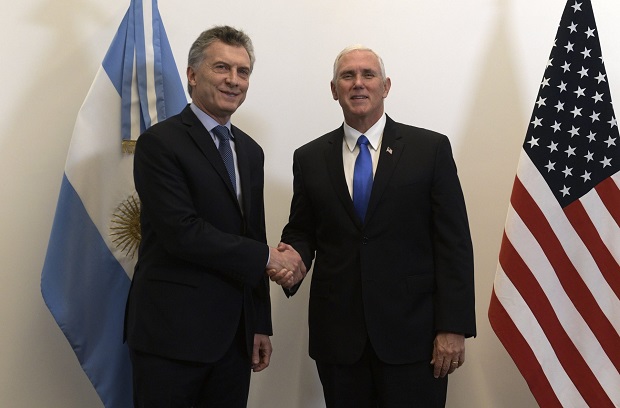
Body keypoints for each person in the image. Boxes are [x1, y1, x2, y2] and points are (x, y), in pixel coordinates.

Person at [270, 45, 476, 407]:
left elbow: (453, 243)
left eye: (368, 74)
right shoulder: (310, 157)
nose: (358, 83)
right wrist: (292, 259)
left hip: (414, 340)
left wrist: (453, 326)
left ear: (386, 86)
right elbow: (303, 229)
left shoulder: (429, 149)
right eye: (347, 76)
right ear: (334, 89)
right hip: (339, 340)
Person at [124, 25, 304, 408]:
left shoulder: (250, 152)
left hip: (233, 340)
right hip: (170, 338)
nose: (234, 80)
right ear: (192, 74)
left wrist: (258, 323)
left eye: (243, 72)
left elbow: (253, 235)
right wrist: (271, 258)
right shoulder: (160, 143)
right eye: (222, 67)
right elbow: (182, 233)